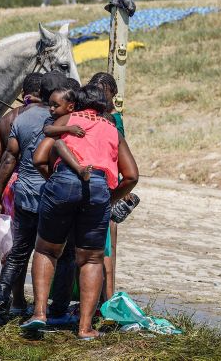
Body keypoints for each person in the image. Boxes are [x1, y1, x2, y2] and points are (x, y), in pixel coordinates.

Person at [25, 85, 139, 340]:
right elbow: (132, 176)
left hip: (62, 185)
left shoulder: (66, 119)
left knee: (46, 249)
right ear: (105, 106)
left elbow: (39, 158)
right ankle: (85, 328)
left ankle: (39, 314)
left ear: (77, 103)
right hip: (98, 189)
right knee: (91, 259)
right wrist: (109, 198)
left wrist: (55, 181)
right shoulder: (112, 129)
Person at [0, 71, 75, 327]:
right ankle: (56, 310)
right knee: (62, 255)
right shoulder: (65, 119)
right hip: (54, 197)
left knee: (18, 254)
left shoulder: (20, 119)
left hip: (24, 195)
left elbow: (8, 159)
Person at [0, 72, 43, 316]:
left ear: (23, 94)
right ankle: (39, 305)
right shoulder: (52, 117)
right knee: (41, 246)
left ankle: (17, 300)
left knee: (14, 246)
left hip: (12, 184)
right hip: (40, 183)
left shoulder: (11, 117)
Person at [88, 72, 141, 299]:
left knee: (99, 248)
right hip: (110, 186)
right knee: (106, 247)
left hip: (102, 185)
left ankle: (104, 299)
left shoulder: (93, 119)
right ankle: (105, 301)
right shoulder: (112, 119)